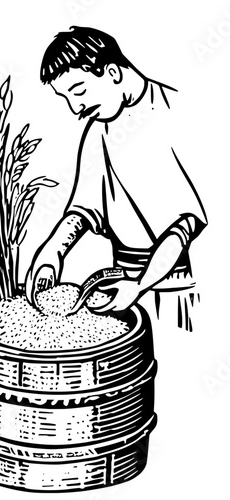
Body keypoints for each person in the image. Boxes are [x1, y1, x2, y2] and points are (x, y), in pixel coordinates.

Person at [25, 26, 207, 331]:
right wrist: (52, 251)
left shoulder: (178, 113)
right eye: (65, 97)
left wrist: (141, 285)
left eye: (79, 90)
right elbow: (83, 210)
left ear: (112, 73)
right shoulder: (99, 128)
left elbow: (185, 225)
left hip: (174, 289)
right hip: (117, 288)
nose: (76, 107)